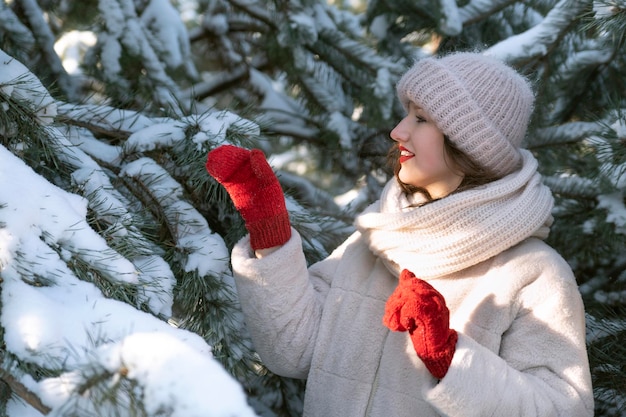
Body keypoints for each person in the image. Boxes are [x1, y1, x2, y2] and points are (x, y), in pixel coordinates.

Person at [205, 52, 594, 417]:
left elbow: (562, 407)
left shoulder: (532, 273)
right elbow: (293, 351)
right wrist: (268, 230)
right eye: (406, 114)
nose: (398, 131)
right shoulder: (379, 241)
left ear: (470, 144)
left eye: (421, 119)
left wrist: (450, 357)